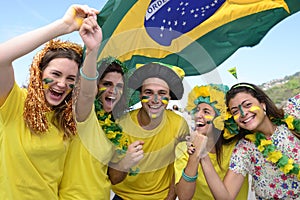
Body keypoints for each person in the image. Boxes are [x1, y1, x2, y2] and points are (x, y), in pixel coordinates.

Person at [0, 4, 99, 199]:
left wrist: (93, 50)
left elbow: (88, 95)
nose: (61, 84)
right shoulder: (14, 103)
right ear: (39, 73)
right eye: (55, 74)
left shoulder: (66, 117)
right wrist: (64, 25)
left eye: (71, 79)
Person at [59, 55, 145, 199]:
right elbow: (86, 93)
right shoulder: (84, 114)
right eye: (107, 84)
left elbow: (113, 178)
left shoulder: (113, 127)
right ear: (96, 85)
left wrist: (126, 162)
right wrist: (92, 50)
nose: (113, 91)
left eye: (119, 86)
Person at [196, 82, 300, 199]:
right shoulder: (245, 149)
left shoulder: (292, 114)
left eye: (247, 105)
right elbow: (225, 197)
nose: (243, 113)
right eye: (235, 111)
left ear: (263, 104)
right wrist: (203, 156)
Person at [111, 63, 190, 200]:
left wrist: (170, 197)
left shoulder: (179, 125)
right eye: (148, 92)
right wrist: (125, 163)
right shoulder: (121, 124)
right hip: (123, 196)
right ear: (140, 94)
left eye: (162, 93)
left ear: (169, 97)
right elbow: (113, 178)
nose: (155, 100)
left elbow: (178, 167)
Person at [174, 84, 249, 200]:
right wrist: (195, 156)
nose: (198, 115)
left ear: (221, 118)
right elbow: (183, 196)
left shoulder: (238, 146)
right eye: (197, 110)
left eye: (206, 112)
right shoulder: (183, 148)